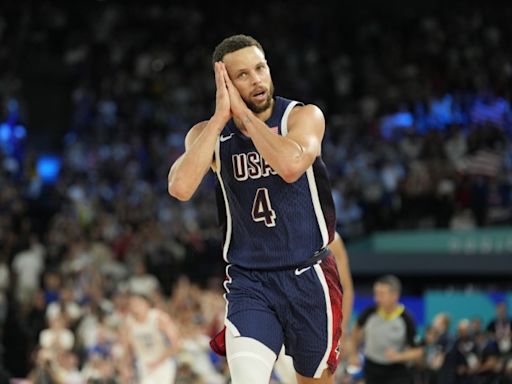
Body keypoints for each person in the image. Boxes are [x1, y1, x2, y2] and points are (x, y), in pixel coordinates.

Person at [168, 34, 343, 383]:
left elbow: (291, 165)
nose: (257, 79)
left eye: (260, 68)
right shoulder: (208, 134)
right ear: (225, 84)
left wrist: (247, 120)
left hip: (308, 275)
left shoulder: (302, 116)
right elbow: (180, 187)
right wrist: (221, 119)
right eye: (243, 75)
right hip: (251, 280)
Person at [273, 231, 354, 383]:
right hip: (280, 312)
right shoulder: (273, 229)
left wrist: (342, 331)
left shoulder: (330, 237)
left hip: (316, 317)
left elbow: (346, 288)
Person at [349, 274, 422, 384]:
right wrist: (353, 354)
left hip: (396, 371)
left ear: (394, 296)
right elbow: (356, 330)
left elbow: (418, 351)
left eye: (381, 294)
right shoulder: (369, 313)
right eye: (376, 293)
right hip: (372, 368)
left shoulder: (406, 318)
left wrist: (399, 356)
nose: (376, 298)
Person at [119, 292, 181, 384]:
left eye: (138, 303)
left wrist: (158, 361)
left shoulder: (159, 317)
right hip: (143, 364)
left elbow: (177, 344)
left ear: (147, 304)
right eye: (132, 304)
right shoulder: (128, 323)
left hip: (163, 363)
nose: (135, 307)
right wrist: (125, 368)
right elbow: (127, 349)